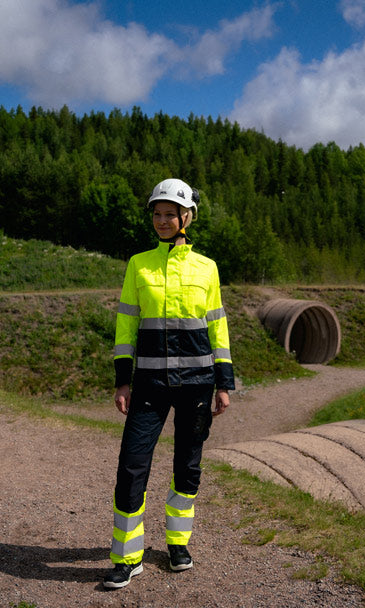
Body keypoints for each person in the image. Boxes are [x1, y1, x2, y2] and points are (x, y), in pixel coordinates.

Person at [103, 177, 235, 589]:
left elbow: (218, 327)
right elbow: (126, 325)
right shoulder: (137, 265)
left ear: (186, 217)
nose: (162, 220)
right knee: (131, 466)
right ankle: (127, 557)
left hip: (197, 384)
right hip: (149, 385)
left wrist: (224, 382)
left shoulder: (207, 268)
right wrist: (123, 381)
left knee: (187, 466)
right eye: (157, 214)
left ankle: (178, 543)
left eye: (169, 214)